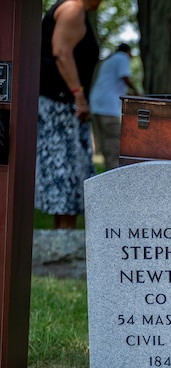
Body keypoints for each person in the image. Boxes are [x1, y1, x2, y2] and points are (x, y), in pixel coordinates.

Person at [37, 0, 101, 230]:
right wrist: (79, 96)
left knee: (69, 180)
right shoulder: (73, 9)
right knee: (66, 178)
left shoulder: (74, 9)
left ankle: (61, 243)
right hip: (60, 105)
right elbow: (61, 52)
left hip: (63, 105)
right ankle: (63, 250)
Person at [89, 43, 138, 171]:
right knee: (113, 140)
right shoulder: (122, 58)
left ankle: (107, 169)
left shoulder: (108, 61)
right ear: (127, 51)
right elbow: (125, 77)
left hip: (96, 103)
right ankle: (114, 172)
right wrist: (137, 92)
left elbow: (115, 85)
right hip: (108, 106)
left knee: (104, 141)